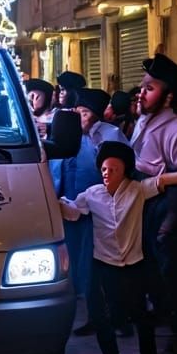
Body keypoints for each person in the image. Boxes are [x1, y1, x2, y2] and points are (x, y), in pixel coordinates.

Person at [59, 140, 177, 354]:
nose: (106, 174)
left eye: (113, 169)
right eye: (104, 169)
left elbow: (167, 180)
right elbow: (72, 211)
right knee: (104, 321)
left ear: (124, 170)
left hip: (134, 266)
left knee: (142, 321)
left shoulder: (138, 190)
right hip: (104, 266)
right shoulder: (92, 195)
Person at [130, 53, 177, 354]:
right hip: (142, 201)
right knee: (150, 272)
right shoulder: (143, 121)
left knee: (174, 273)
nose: (142, 93)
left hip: (166, 204)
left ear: (168, 96)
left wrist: (172, 220)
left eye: (150, 88)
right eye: (142, 87)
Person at [52, 88, 127, 338]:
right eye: (77, 113)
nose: (80, 118)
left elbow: (120, 175)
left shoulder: (109, 135)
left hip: (101, 214)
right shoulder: (69, 137)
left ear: (96, 116)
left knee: (106, 269)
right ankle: (96, 318)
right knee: (82, 270)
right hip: (72, 211)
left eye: (84, 113)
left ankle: (119, 319)